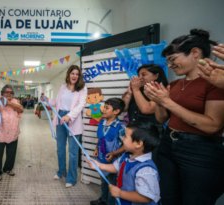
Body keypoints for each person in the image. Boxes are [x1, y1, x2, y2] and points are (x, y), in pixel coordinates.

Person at [144, 29, 224, 205]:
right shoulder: (174, 84)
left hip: (200, 151)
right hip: (168, 145)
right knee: (168, 199)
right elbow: (161, 119)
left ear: (195, 53)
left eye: (172, 60)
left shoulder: (216, 83)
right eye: (168, 62)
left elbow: (212, 126)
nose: (170, 65)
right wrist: (158, 100)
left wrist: (167, 101)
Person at [87, 123, 161, 205]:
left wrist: (120, 193)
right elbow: (116, 167)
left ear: (138, 144)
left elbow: (145, 197)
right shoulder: (127, 155)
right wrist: (99, 166)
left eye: (125, 136)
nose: (122, 138)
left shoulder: (146, 170)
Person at [43, 65, 87, 188]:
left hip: (72, 119)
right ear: (68, 74)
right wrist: (48, 100)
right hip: (60, 117)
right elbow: (59, 103)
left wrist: (69, 116)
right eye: (72, 73)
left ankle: (71, 178)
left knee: (73, 152)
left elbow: (80, 105)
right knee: (60, 148)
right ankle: (61, 171)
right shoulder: (63, 87)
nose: (75, 76)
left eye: (77, 74)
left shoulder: (82, 89)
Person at [122, 64, 168, 164]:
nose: (140, 77)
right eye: (139, 75)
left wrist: (135, 90)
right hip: (133, 136)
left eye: (144, 74)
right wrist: (129, 93)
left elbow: (146, 109)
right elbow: (124, 108)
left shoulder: (161, 91)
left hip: (150, 138)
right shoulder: (137, 91)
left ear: (156, 76)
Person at [91, 98, 126, 205]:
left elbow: (126, 146)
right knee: (103, 180)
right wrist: (96, 148)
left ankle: (110, 202)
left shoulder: (121, 127)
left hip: (113, 161)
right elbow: (100, 137)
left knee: (112, 183)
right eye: (104, 107)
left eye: (107, 108)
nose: (103, 110)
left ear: (116, 111)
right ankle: (103, 199)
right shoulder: (102, 122)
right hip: (102, 158)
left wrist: (114, 153)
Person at [0, 85, 23, 181]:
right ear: (2, 92)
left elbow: (21, 109)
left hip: (13, 132)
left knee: (11, 153)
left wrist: (8, 103)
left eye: (10, 92)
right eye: (6, 92)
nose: (8, 94)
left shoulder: (15, 102)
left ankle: (7, 169)